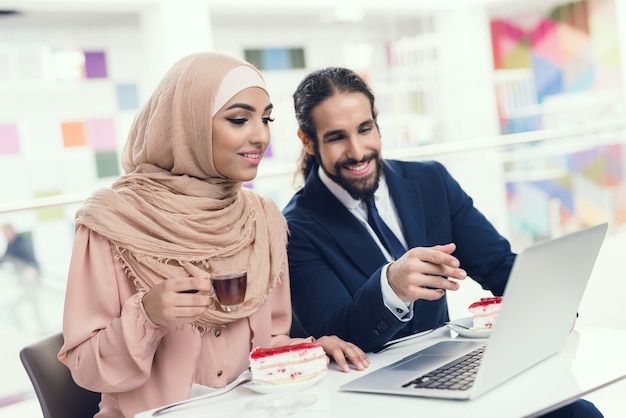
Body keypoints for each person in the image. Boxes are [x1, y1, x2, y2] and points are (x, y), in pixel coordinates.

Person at [57, 53, 368, 418]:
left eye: (266, 119)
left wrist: (312, 348)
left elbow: (269, 344)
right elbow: (86, 367)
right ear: (186, 126)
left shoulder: (262, 220)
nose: (260, 135)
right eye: (239, 119)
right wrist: (147, 315)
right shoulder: (113, 222)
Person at [282, 67, 602, 417]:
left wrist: (548, 303)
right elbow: (335, 335)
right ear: (308, 141)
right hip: (374, 397)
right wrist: (391, 287)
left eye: (365, 129)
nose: (358, 151)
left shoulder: (430, 180)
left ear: (377, 122)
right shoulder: (296, 227)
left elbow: (496, 264)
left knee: (578, 412)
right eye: (336, 137)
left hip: (450, 371)